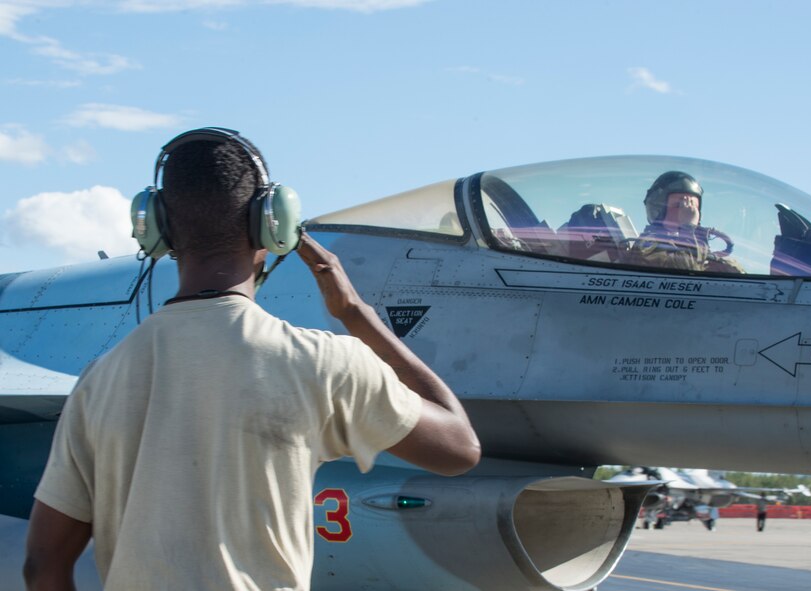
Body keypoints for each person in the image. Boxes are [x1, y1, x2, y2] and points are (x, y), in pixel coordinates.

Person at [23, 128, 481, 591]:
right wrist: (356, 315)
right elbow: (459, 450)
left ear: (158, 229)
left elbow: (42, 568)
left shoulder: (98, 380)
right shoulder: (324, 362)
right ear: (273, 225)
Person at [627, 171, 744, 273]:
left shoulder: (703, 252)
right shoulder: (647, 246)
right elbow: (686, 276)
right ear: (658, 209)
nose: (690, 212)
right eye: (679, 205)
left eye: (694, 207)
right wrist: (688, 229)